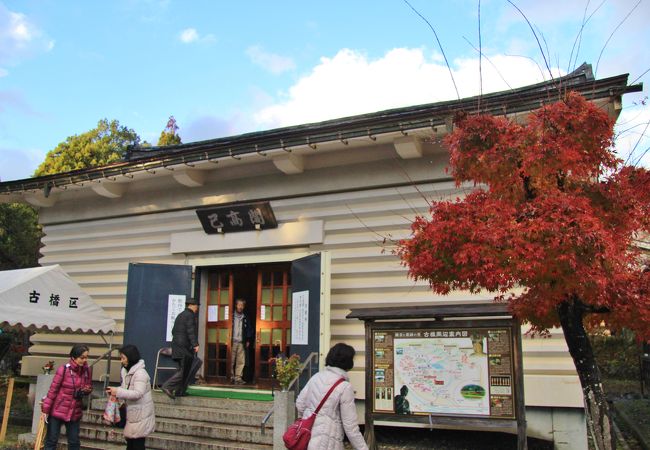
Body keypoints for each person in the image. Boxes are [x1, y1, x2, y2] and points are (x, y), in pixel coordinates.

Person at [295, 343, 368, 450]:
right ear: (348, 362)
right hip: (328, 442)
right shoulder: (345, 387)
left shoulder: (316, 377)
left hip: (307, 438)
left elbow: (300, 404)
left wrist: (309, 418)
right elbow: (350, 426)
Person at [41, 344, 93, 450]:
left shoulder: (87, 371)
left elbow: (88, 385)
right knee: (51, 440)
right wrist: (45, 410)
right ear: (74, 357)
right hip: (58, 409)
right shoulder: (63, 370)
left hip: (75, 411)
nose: (84, 360)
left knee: (74, 442)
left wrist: (87, 390)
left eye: (86, 357)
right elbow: (52, 391)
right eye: (82, 357)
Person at [106, 345, 155, 450]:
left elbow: (138, 393)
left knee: (137, 444)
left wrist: (118, 391)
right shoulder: (125, 371)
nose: (121, 361)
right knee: (131, 444)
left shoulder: (140, 373)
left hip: (141, 414)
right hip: (132, 413)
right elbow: (126, 388)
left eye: (123, 358)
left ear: (131, 357)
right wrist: (114, 391)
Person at [162, 297, 200, 398]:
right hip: (184, 347)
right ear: (192, 305)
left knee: (184, 368)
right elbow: (191, 331)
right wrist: (195, 344)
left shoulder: (180, 315)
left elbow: (173, 331)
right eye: (196, 306)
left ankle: (180, 391)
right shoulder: (190, 315)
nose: (197, 308)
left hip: (177, 346)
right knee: (186, 369)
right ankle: (168, 386)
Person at [231, 298, 253, 385]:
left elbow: (249, 329)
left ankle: (238, 378)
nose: (240, 307)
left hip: (241, 342)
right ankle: (231, 377)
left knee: (241, 361)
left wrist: (248, 339)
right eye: (239, 305)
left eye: (242, 305)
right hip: (232, 341)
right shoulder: (231, 316)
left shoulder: (245, 317)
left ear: (243, 307)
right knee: (231, 360)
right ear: (236, 305)